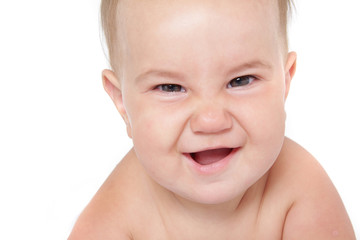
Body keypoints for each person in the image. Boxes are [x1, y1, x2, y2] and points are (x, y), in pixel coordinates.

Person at [68, 0, 355, 239]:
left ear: (285, 82)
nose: (210, 120)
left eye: (241, 80)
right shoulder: (112, 222)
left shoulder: (300, 188)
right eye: (170, 87)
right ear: (122, 102)